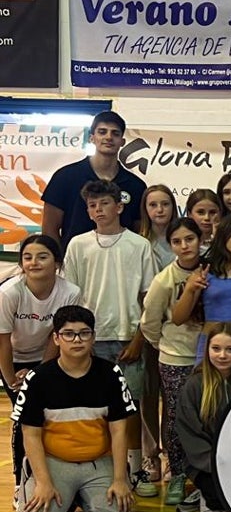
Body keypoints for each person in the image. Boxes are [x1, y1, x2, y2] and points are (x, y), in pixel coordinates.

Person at [62, 180, 156, 495]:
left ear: (119, 206)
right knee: (92, 408)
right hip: (88, 340)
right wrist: (76, 340)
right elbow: (71, 298)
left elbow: (149, 300)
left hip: (128, 337)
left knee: (129, 409)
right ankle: (100, 470)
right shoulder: (77, 245)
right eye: (92, 205)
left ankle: (138, 469)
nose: (98, 209)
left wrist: (139, 340)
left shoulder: (139, 246)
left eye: (104, 203)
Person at [12, 305, 137, 512]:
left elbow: (120, 431)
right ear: (57, 339)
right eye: (68, 334)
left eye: (84, 333)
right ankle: (64, 496)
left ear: (93, 337)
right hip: (54, 462)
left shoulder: (111, 374)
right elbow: (30, 435)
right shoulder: (38, 379)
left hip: (98, 461)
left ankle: (80, 495)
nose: (77, 340)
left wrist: (120, 479)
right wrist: (43, 482)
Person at [140, 220, 204, 508]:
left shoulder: (213, 269)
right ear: (171, 245)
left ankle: (205, 475)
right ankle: (177, 472)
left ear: (200, 239)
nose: (184, 245)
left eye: (189, 238)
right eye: (177, 241)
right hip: (175, 357)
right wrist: (165, 345)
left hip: (211, 356)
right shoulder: (165, 279)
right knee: (176, 415)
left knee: (207, 416)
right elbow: (150, 322)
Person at [175, 323, 231, 512]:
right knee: (217, 508)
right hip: (206, 464)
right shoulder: (194, 385)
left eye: (230, 349)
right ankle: (206, 494)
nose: (222, 355)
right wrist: (214, 463)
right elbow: (189, 431)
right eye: (216, 348)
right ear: (207, 349)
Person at [40, 111, 146, 248]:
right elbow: (49, 230)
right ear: (91, 138)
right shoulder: (64, 177)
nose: (108, 137)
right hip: (75, 264)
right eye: (102, 132)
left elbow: (140, 231)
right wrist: (61, 262)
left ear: (122, 142)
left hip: (121, 262)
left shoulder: (136, 185)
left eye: (115, 133)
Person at [0, 235, 81, 405]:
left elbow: (56, 336)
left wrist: (38, 373)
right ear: (21, 264)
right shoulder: (9, 293)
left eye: (42, 257)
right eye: (27, 258)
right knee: (24, 411)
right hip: (11, 357)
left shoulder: (70, 292)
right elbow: (3, 341)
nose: (34, 262)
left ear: (57, 263)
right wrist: (12, 383)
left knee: (48, 409)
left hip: (46, 356)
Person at [172, 214, 231, 368]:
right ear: (224, 234)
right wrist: (189, 289)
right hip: (212, 346)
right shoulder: (204, 269)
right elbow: (178, 318)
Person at [139, 185, 180, 272]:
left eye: (165, 204)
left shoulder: (184, 240)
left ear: (173, 207)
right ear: (145, 208)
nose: (160, 210)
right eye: (153, 205)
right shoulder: (138, 243)